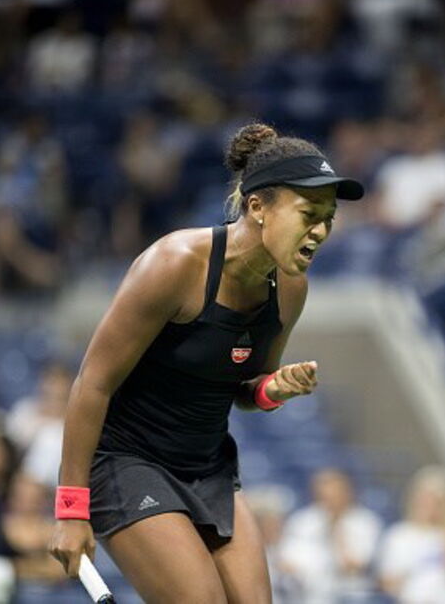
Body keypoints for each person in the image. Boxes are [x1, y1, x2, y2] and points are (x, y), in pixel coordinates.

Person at [48, 122, 364, 603]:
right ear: (258, 207)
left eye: (328, 218)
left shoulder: (291, 289)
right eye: (307, 214)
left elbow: (245, 390)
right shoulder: (174, 264)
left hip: (208, 468)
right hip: (127, 462)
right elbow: (92, 384)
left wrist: (271, 390)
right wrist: (71, 509)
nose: (319, 231)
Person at [278, 467, 383, 603]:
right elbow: (286, 562)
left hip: (350, 595)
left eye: (336, 493)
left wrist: (336, 529)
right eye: (324, 494)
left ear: (348, 492)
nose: (330, 499)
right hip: (307, 594)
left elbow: (353, 566)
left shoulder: (366, 522)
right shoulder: (302, 520)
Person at [378, 465, 445, 597]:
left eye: (436, 501)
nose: (429, 507)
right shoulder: (398, 535)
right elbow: (386, 581)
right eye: (425, 500)